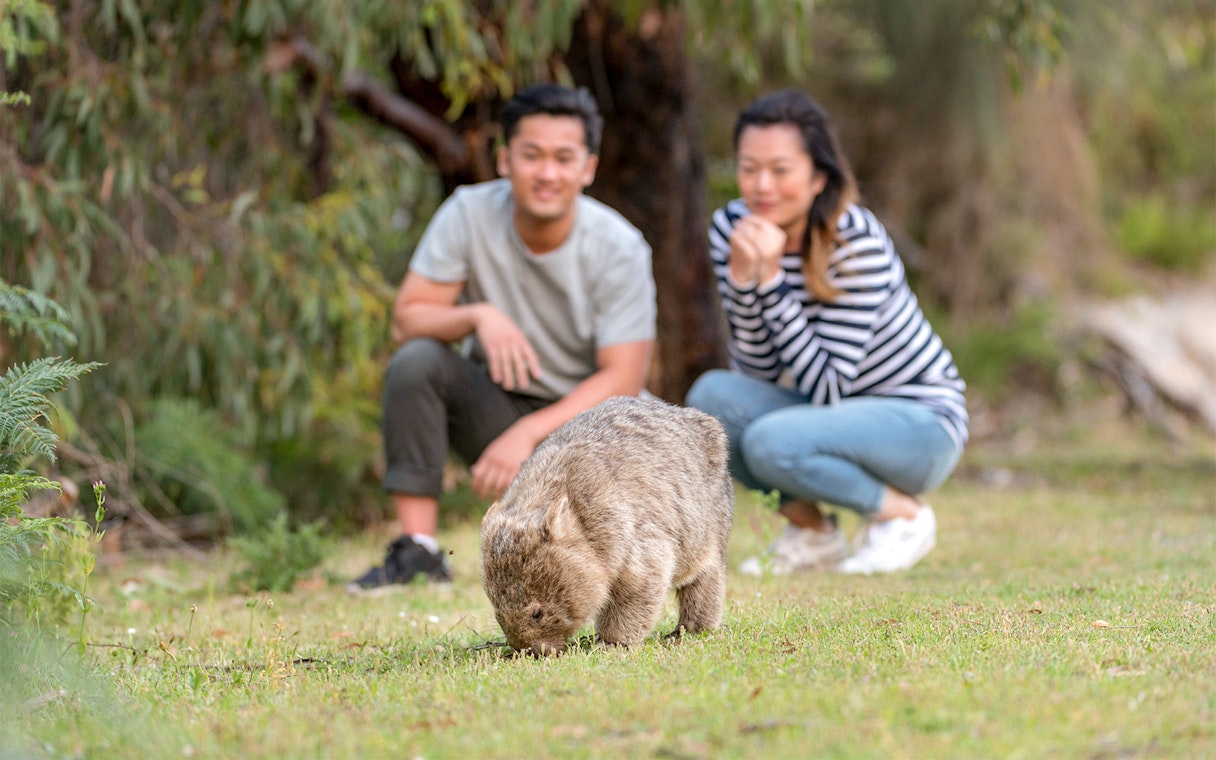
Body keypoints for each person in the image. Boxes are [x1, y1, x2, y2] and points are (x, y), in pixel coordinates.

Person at [348, 84, 657, 592]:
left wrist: (530, 434)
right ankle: (419, 555)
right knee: (417, 361)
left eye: (563, 158)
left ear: (588, 168)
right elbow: (407, 319)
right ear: (503, 160)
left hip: (591, 427)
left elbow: (623, 377)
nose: (547, 173)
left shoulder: (618, 246)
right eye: (531, 155)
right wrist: (477, 315)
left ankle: (621, 565)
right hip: (495, 408)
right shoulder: (468, 213)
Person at [685, 90, 968, 575]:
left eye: (780, 170)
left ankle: (903, 514)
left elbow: (827, 386)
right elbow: (758, 372)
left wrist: (771, 282)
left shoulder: (854, 241)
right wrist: (742, 283)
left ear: (818, 177)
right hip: (830, 418)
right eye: (749, 168)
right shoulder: (733, 226)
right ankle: (813, 533)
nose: (761, 185)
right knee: (711, 402)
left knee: (772, 441)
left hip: (920, 424)